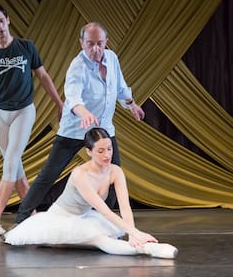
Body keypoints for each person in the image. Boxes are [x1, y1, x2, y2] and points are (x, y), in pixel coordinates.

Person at [15, 22, 145, 224]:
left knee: (111, 173)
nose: (95, 49)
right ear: (81, 43)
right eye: (90, 43)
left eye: (100, 43)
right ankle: (22, 218)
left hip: (103, 132)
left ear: (106, 42)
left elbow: (120, 86)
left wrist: (132, 104)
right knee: (48, 175)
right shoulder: (78, 66)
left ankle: (103, 220)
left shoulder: (112, 59)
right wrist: (84, 113)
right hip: (75, 130)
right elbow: (73, 97)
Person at [5, 128, 178, 258]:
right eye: (100, 151)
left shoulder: (115, 171)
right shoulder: (80, 174)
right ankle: (148, 249)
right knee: (98, 240)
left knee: (106, 236)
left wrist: (134, 232)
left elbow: (125, 207)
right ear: (89, 152)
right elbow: (104, 211)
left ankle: (139, 245)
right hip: (61, 219)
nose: (107, 155)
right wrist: (137, 235)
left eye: (109, 149)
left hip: (85, 217)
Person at [0, 4, 63, 235]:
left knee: (11, 162)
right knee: (16, 170)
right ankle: (32, 215)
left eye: (1, 21)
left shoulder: (26, 47)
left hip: (24, 111)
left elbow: (43, 76)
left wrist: (59, 102)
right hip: (1, 115)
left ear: (8, 20)